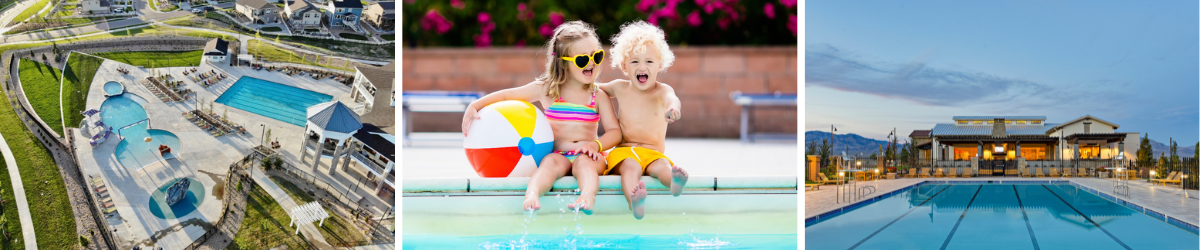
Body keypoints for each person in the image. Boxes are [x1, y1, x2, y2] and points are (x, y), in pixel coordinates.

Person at [461, 21, 621, 214]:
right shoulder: (548, 90)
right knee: (548, 165)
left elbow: (615, 131)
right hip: (559, 154)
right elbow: (508, 95)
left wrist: (596, 145)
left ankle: (587, 197)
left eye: (596, 56)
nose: (591, 63)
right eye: (582, 60)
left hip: (590, 155)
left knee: (585, 164)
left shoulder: (598, 95)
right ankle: (532, 194)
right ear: (563, 62)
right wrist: (476, 105)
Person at [598, 20, 689, 219]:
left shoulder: (662, 90)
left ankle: (674, 184)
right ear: (624, 66)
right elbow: (594, 89)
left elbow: (672, 99)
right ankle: (635, 202)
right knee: (630, 167)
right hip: (624, 150)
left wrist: (673, 109)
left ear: (660, 64)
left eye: (649, 61)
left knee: (662, 167)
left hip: (652, 152)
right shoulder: (619, 87)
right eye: (634, 62)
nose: (642, 67)